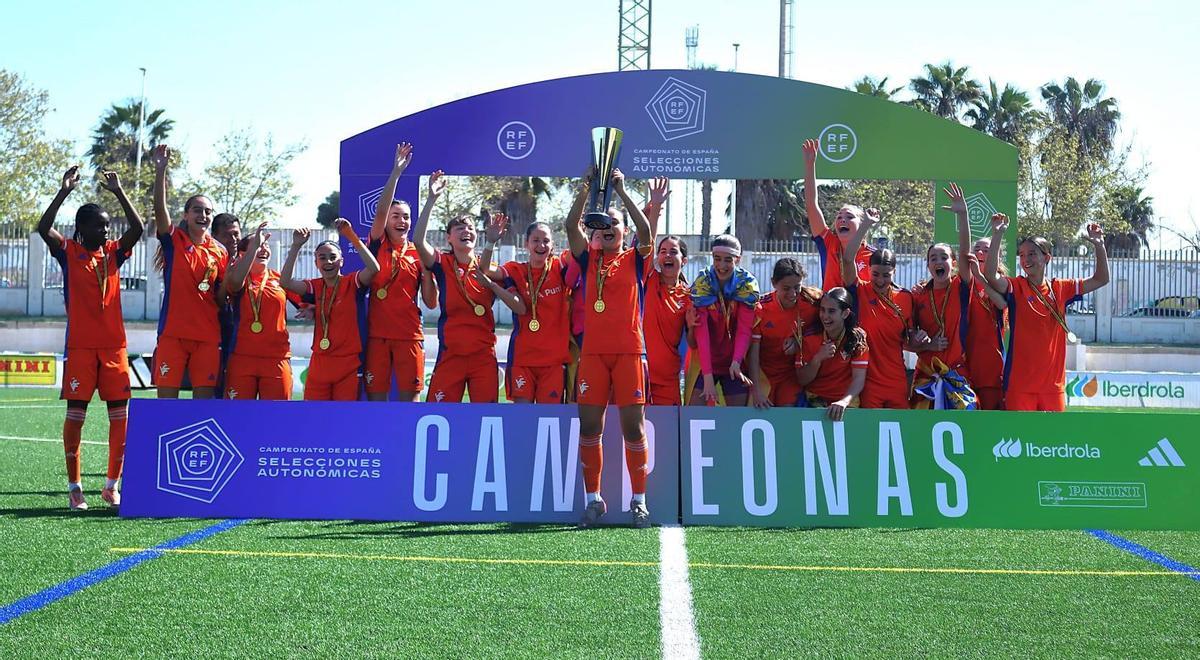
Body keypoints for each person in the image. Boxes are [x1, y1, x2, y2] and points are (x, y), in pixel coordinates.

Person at [37, 166, 144, 509]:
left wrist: (119, 192)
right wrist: (64, 191)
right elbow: (43, 228)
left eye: (107, 225)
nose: (105, 229)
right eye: (99, 224)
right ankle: (74, 488)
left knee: (120, 418)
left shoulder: (114, 253)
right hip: (81, 348)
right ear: (82, 228)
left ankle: (112, 486)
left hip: (114, 348)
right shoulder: (68, 251)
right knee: (76, 417)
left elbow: (138, 228)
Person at [566, 168, 654, 528]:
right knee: (590, 428)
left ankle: (639, 501)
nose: (607, 230)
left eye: (614, 226)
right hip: (593, 356)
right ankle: (594, 500)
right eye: (602, 227)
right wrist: (587, 187)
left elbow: (646, 231)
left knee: (633, 429)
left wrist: (620, 191)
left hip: (630, 353)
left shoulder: (636, 258)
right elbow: (571, 227)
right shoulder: (589, 258)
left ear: (623, 232)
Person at [983, 215, 1109, 411]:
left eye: (1032, 254)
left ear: (1047, 258)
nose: (1025, 259)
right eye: (1022, 254)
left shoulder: (1061, 287)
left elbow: (1101, 279)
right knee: (1020, 439)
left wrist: (1099, 246)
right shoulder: (1016, 286)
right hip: (1019, 385)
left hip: (1052, 387)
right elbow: (990, 275)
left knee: (1052, 441)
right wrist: (997, 234)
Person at [411, 172, 500, 403]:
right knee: (438, 413)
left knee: (486, 418)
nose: (465, 231)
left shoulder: (489, 267)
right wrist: (431, 198)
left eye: (470, 227)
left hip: (483, 356)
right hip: (451, 354)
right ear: (448, 238)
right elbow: (418, 240)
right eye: (458, 228)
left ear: (477, 236)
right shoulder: (443, 263)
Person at [151, 144, 228, 399]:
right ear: (186, 214)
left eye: (208, 211)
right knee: (166, 404)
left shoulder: (220, 251)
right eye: (197, 210)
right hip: (173, 335)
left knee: (203, 406)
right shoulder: (175, 241)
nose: (203, 215)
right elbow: (160, 211)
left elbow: (220, 294)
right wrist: (161, 170)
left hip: (206, 337)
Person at [364, 143, 438, 402]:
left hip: (409, 335)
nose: (401, 221)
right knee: (376, 401)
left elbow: (430, 302)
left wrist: (428, 271)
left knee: (411, 402)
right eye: (396, 216)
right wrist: (396, 173)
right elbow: (381, 210)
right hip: (377, 335)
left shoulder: (419, 252)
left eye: (406, 217)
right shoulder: (377, 243)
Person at [280, 220, 379, 400]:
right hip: (320, 362)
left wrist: (350, 236)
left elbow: (374, 268)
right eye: (322, 257)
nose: (328, 261)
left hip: (348, 362)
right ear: (316, 262)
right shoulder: (315, 286)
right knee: (314, 416)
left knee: (344, 419)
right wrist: (295, 246)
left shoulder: (352, 282)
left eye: (333, 257)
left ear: (342, 261)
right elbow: (285, 282)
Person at [479, 216, 571, 404]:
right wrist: (490, 242)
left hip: (553, 362)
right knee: (522, 419)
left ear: (552, 245)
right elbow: (486, 269)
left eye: (546, 241)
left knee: (549, 420)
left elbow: (580, 250)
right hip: (523, 359)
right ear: (527, 243)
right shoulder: (515, 269)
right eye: (536, 240)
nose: (541, 245)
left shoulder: (559, 266)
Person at [841, 210, 918, 409]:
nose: (881, 280)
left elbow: (910, 340)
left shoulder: (906, 298)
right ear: (868, 270)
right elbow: (848, 259)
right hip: (867, 380)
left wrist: (925, 341)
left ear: (894, 272)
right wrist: (865, 225)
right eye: (875, 274)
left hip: (896, 379)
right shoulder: (859, 291)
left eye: (886, 275)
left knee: (901, 432)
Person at [910, 183, 977, 410]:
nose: (939, 262)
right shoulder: (918, 296)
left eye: (944, 257)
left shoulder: (960, 286)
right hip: (925, 378)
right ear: (928, 264)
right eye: (933, 258)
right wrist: (927, 346)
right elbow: (907, 342)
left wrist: (963, 215)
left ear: (953, 263)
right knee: (922, 437)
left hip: (957, 376)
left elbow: (967, 253)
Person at [220, 223, 293, 400]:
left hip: (276, 358)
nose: (263, 249)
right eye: (257, 245)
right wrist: (253, 249)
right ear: (244, 254)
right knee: (236, 417)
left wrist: (311, 308)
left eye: (266, 246)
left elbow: (309, 300)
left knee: (277, 418)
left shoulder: (279, 279)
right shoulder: (238, 277)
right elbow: (235, 284)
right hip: (242, 358)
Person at [689, 235, 759, 406]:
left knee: (736, 418)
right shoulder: (702, 283)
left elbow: (744, 330)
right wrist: (707, 376)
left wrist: (736, 362)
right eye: (717, 259)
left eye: (728, 260)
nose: (721, 266)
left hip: (734, 362)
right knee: (693, 414)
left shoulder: (747, 285)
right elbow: (702, 332)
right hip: (706, 361)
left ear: (738, 259)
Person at [748, 257, 821, 408]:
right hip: (763, 374)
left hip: (791, 375)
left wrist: (801, 342)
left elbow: (827, 323)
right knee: (761, 414)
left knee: (787, 417)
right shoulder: (761, 309)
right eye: (786, 288)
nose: (793, 294)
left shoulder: (812, 302)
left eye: (797, 287)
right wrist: (756, 390)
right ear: (773, 283)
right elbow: (753, 353)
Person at [802, 138, 874, 290]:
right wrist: (810, 165)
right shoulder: (829, 243)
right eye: (839, 217)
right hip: (831, 312)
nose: (842, 220)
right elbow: (811, 205)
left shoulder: (874, 255)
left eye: (849, 217)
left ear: (863, 223)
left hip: (861, 313)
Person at [795, 287, 869, 420]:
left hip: (845, 399)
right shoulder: (810, 338)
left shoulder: (857, 338)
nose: (825, 316)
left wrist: (843, 402)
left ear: (845, 314)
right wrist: (818, 359)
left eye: (831, 311)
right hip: (815, 398)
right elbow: (802, 380)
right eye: (822, 310)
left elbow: (859, 379)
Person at [644, 235, 693, 406]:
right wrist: (654, 213)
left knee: (667, 431)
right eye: (663, 252)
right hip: (639, 374)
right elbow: (645, 245)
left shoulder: (689, 296)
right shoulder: (648, 281)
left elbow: (693, 341)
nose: (668, 256)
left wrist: (692, 325)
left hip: (668, 379)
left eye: (673, 252)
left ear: (684, 260)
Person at [964, 236, 1009, 410]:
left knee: (989, 423)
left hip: (990, 367)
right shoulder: (961, 282)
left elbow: (1003, 304)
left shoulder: (1002, 283)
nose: (980, 253)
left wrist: (980, 277)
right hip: (962, 366)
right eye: (976, 249)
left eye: (986, 250)